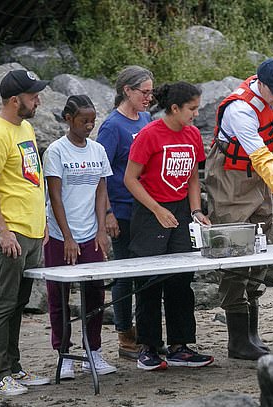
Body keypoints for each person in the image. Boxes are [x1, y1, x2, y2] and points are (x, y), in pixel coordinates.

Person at [204, 58, 273, 360]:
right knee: (234, 246)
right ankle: (237, 340)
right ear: (261, 84)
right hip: (231, 175)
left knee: (259, 242)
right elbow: (259, 157)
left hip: (261, 177)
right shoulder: (240, 110)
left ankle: (252, 332)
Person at [124, 81, 214, 370]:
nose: (195, 115)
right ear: (174, 108)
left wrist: (196, 210)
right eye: (192, 109)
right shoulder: (150, 134)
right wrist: (157, 209)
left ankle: (180, 346)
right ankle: (148, 348)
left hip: (180, 213)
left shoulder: (192, 135)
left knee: (180, 281)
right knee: (150, 280)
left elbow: (192, 177)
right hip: (151, 213)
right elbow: (130, 178)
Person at [0, 69, 51, 395]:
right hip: (9, 232)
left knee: (20, 303)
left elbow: (30, 178)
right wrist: (4, 232)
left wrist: (43, 223)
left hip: (31, 231)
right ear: (15, 100)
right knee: (4, 303)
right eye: (33, 96)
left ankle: (16, 369)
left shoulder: (26, 127)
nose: (38, 100)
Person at [43, 95, 117, 379]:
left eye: (92, 121)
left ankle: (92, 351)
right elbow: (55, 196)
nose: (89, 126)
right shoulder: (57, 151)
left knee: (95, 292)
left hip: (90, 233)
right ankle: (64, 354)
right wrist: (68, 237)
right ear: (68, 119)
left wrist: (100, 230)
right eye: (84, 121)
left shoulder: (97, 150)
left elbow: (101, 191)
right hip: (62, 235)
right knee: (58, 294)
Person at [97, 65, 154, 359]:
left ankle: (146, 332)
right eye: (144, 92)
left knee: (146, 271)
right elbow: (101, 173)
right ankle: (124, 334)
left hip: (145, 208)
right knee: (123, 273)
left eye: (151, 92)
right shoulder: (112, 126)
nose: (148, 97)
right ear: (127, 91)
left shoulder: (146, 119)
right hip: (120, 207)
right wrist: (106, 213)